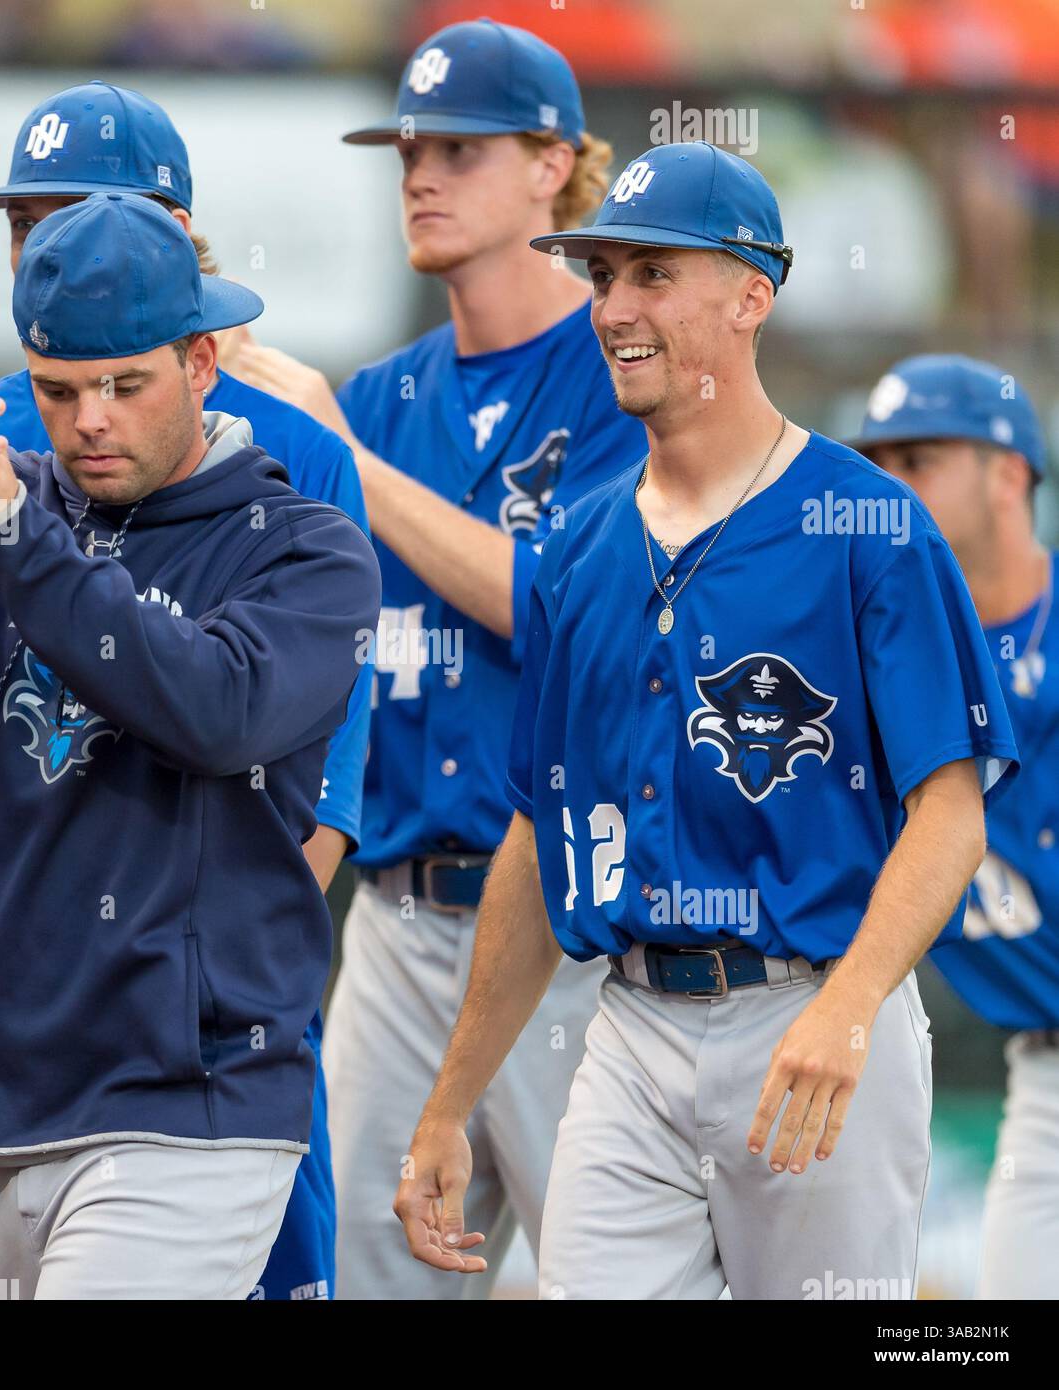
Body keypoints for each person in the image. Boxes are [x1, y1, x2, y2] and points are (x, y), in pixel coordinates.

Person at [393, 141, 1019, 1300]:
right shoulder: (576, 546)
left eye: (652, 274)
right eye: (601, 278)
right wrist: (449, 1102)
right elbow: (536, 834)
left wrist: (849, 1006)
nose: (616, 308)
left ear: (750, 294)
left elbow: (949, 813)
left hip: (818, 1014)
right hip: (627, 1025)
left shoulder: (865, 523)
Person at [0, 191, 380, 1299]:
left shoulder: (307, 548)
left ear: (202, 359)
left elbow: (215, 711)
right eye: (58, 390)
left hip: (188, 1107)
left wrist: (4, 530)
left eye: (126, 385)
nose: (88, 419)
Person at [224, 17, 646, 1299]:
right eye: (408, 146)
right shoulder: (385, 391)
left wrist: (340, 458)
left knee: (608, 1278)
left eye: (458, 147)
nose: (419, 172)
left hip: (572, 927)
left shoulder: (620, 360)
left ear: (550, 163)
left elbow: (561, 607)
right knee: (357, 1276)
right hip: (398, 924)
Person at [856, 354, 1058, 1300]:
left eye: (921, 459)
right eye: (879, 464)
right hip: (1043, 1081)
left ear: (1009, 473)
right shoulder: (867, 666)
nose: (891, 488)